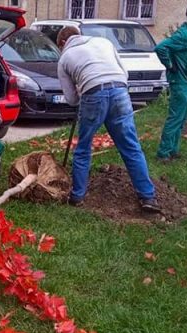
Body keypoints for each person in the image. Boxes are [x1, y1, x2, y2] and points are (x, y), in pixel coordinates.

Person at [56, 26, 160, 212]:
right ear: (79, 35)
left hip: (93, 95)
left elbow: (71, 100)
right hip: (120, 91)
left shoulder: (65, 57)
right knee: (130, 146)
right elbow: (124, 73)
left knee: (83, 147)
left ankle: (77, 196)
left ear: (63, 43)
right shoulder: (104, 42)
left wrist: (82, 88)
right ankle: (148, 197)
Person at [154, 2, 187, 162]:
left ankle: (173, 150)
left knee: (182, 118)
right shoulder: (183, 34)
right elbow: (161, 48)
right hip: (179, 82)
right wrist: (170, 65)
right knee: (175, 117)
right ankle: (163, 153)